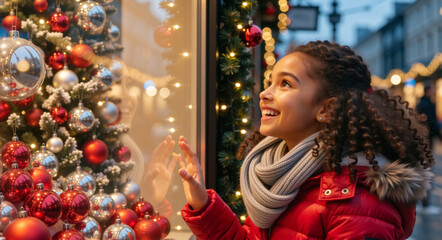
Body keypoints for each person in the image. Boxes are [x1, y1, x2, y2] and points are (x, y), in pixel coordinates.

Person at [175, 40, 434, 239]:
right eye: (270, 81)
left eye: (285, 84)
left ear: (326, 110)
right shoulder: (280, 177)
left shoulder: (358, 204)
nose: (265, 93)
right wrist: (203, 205)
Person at [416, 85, 441, 215]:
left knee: (424, 170)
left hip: (422, 142)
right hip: (427, 142)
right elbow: (433, 123)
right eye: (432, 90)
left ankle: (423, 200)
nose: (434, 91)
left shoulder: (420, 104)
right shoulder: (428, 105)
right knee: (427, 170)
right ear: (428, 91)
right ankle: (425, 202)